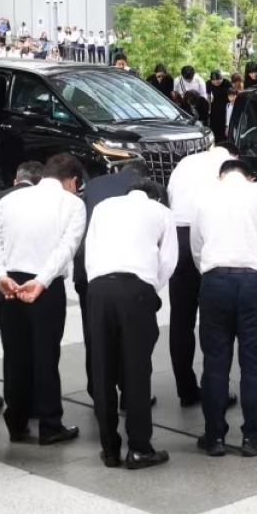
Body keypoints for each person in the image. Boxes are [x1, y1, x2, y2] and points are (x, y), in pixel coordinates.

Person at [0, 153, 86, 444]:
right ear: (73, 181)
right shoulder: (74, 204)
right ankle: (50, 424)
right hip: (46, 287)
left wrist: (0, 275)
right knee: (45, 355)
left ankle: (16, 421)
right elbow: (67, 247)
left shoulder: (11, 199)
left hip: (10, 284)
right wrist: (41, 281)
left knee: (15, 355)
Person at [85, 180, 177, 469]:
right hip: (135, 290)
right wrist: (150, 286)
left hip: (98, 288)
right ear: (156, 196)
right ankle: (139, 449)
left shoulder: (102, 207)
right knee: (136, 371)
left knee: (102, 369)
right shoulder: (161, 211)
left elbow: (90, 251)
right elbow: (169, 260)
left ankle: (109, 449)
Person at [192, 159, 257, 457]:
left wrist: (211, 271)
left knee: (215, 361)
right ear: (250, 177)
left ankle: (214, 436)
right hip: (255, 281)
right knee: (254, 361)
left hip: (215, 280)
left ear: (220, 176)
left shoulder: (204, 195)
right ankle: (253, 436)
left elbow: (196, 245)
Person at [74, 161, 167, 402]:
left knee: (95, 334)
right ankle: (132, 393)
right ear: (146, 176)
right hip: (133, 276)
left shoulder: (93, 186)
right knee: (134, 337)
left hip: (90, 271)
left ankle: (100, 393)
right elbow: (162, 237)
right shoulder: (154, 190)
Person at [166, 143, 240, 407]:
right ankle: (214, 388)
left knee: (181, 320)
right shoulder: (229, 170)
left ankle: (185, 388)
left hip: (178, 238)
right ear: (235, 157)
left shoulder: (185, 163)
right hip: (208, 236)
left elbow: (170, 196)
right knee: (214, 321)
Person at [0, 161, 42, 415]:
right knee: (18, 345)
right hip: (15, 278)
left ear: (16, 180)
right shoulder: (39, 201)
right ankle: (23, 403)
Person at [207, 71, 231, 143]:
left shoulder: (227, 83)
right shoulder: (208, 83)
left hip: (225, 104)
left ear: (222, 78)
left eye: (218, 82)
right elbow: (208, 96)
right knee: (214, 124)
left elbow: (231, 94)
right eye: (214, 82)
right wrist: (209, 108)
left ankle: (225, 140)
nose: (216, 83)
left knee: (224, 123)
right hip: (215, 104)